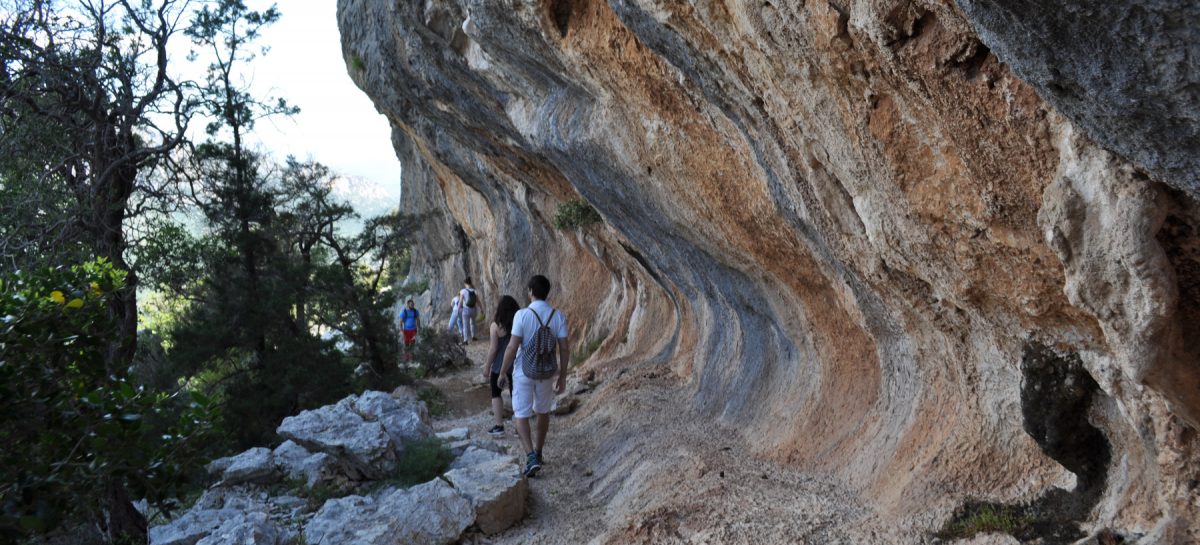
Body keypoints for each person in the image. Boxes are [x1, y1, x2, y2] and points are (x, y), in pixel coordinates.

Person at [498, 275, 569, 477]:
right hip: (546, 373)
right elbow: (564, 349)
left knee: (521, 413)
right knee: (543, 411)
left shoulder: (522, 315)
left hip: (523, 372)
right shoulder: (558, 316)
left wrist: (503, 371)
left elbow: (512, 347)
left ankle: (530, 456)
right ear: (547, 293)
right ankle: (538, 452)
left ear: (530, 291)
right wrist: (562, 375)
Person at [483, 295, 520, 436]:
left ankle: (499, 426)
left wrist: (487, 367)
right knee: (516, 395)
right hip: (516, 364)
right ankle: (519, 428)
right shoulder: (518, 323)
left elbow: (493, 349)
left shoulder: (495, 326)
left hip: (499, 366)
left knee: (496, 394)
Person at [459, 278, 479, 344]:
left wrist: (458, 309)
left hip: (466, 310)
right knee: (473, 323)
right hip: (473, 309)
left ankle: (465, 340)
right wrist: (481, 309)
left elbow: (461, 301)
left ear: (465, 283)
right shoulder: (474, 291)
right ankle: (473, 336)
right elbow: (478, 301)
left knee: (465, 325)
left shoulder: (463, 291)